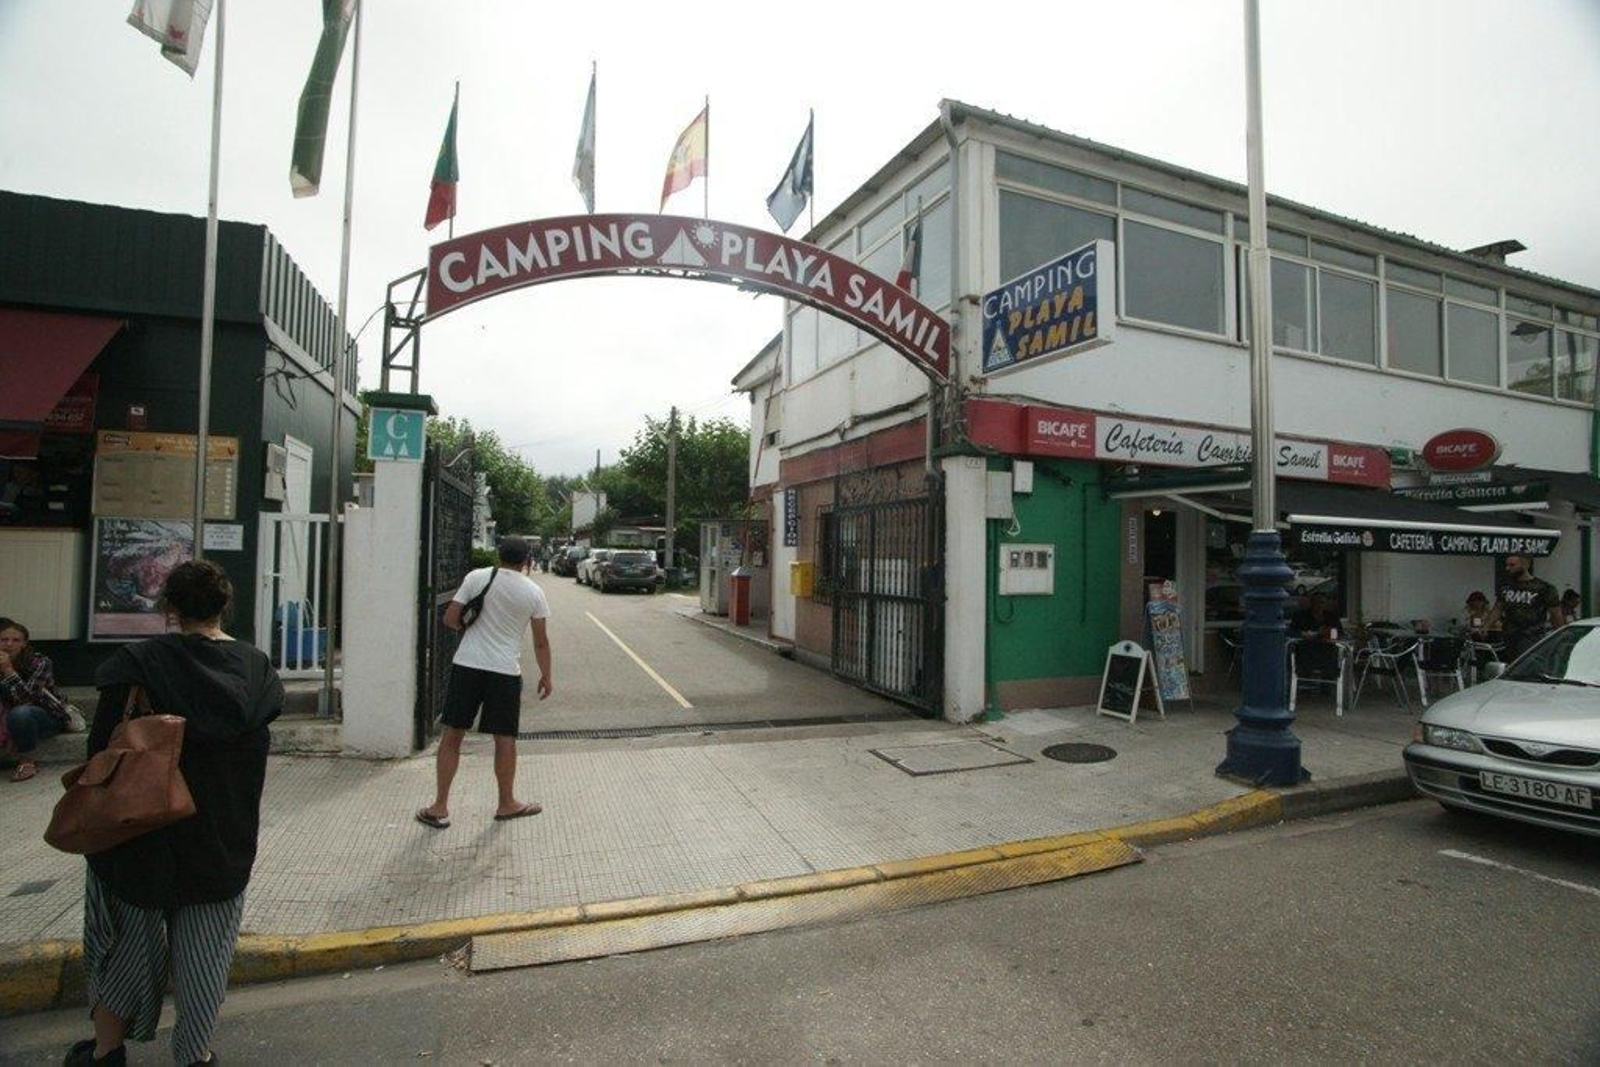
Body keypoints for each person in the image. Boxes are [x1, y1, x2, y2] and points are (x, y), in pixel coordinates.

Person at [64, 560, 283, 1067]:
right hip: (220, 832)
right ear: (224, 605)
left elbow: (100, 753)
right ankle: (195, 1053)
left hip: (136, 830)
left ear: (169, 608)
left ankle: (105, 1051)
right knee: (206, 954)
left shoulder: (137, 663)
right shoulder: (255, 669)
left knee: (122, 942)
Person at [416, 535, 552, 829]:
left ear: (498, 555)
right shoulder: (534, 592)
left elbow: (451, 619)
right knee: (504, 738)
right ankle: (506, 803)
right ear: (527, 561)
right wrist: (546, 675)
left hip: (467, 665)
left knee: (453, 734)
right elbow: (540, 643)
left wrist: (472, 629)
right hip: (504, 671)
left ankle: (439, 806)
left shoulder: (477, 577)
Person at [0, 617, 71, 781]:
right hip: (6, 717)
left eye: (15, 640)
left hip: (44, 715)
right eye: (4, 639)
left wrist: (9, 671)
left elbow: (27, 698)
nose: (9, 644)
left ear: (24, 643)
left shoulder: (39, 662)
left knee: (21, 713)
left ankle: (27, 761)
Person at [1489, 554, 1564, 660]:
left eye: (1512, 565)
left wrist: (1560, 635)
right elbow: (1498, 608)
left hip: (1532, 636)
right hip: (1509, 636)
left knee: (1527, 665)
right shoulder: (1506, 587)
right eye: (1507, 565)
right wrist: (1485, 626)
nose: (1508, 568)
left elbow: (1556, 614)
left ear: (1525, 565)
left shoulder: (1544, 588)